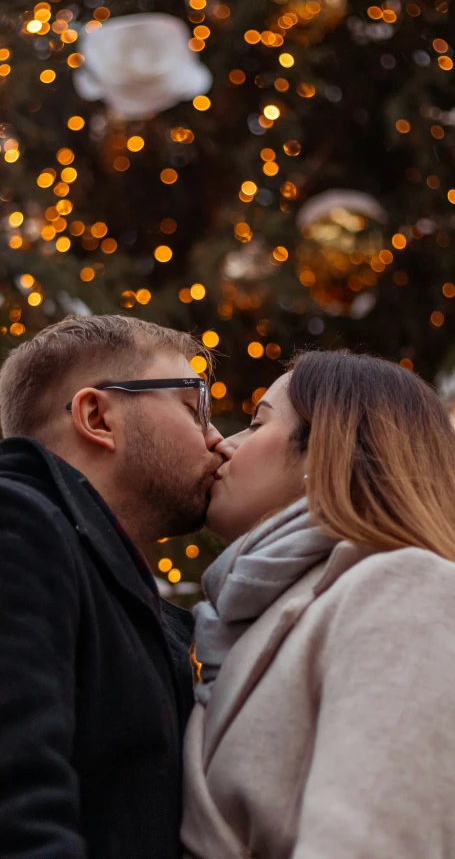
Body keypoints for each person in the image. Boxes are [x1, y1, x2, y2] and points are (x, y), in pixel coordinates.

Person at [182, 349, 455, 859]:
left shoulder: (406, 588)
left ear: (327, 447)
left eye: (255, 422)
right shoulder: (246, 618)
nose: (223, 445)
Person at [0, 314, 223, 859]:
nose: (217, 439)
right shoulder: (18, 522)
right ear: (97, 416)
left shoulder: (118, 588)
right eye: (195, 409)